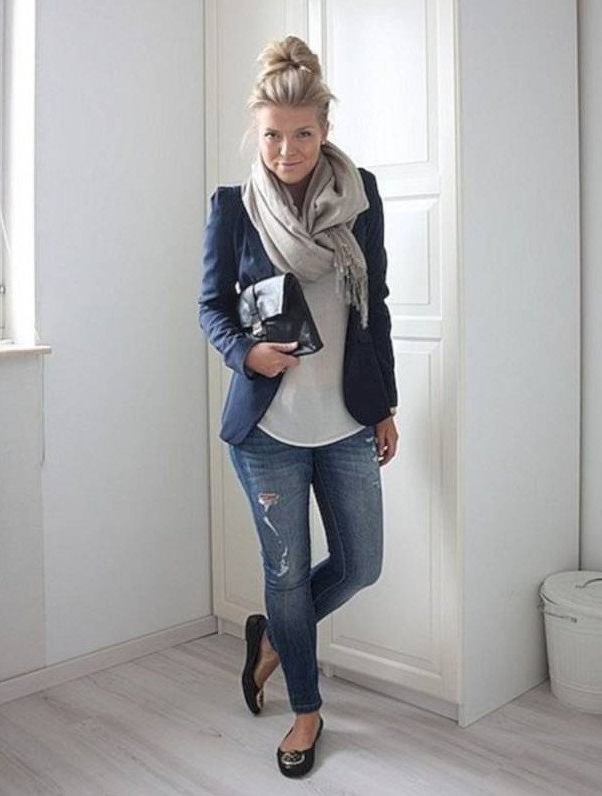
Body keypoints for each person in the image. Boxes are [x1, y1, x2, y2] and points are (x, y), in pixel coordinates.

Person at [198, 34, 399, 778]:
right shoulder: (234, 208)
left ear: (325, 129)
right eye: (272, 136)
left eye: (303, 134)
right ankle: (306, 709)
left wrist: (384, 405)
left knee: (361, 564)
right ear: (257, 133)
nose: (287, 151)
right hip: (267, 431)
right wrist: (243, 353)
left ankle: (274, 637)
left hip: (345, 420)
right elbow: (211, 307)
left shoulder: (360, 196)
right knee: (284, 575)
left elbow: (375, 305)